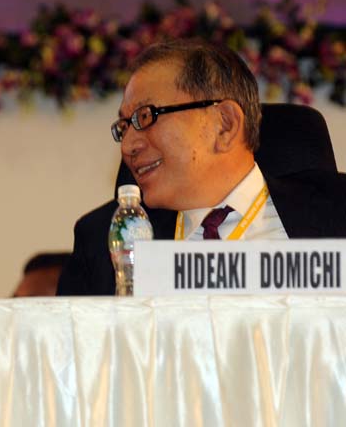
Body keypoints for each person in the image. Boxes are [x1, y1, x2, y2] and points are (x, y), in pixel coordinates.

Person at [57, 39, 346, 295]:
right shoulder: (102, 241)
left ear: (225, 124)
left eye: (145, 116)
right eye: (124, 126)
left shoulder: (337, 209)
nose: (128, 145)